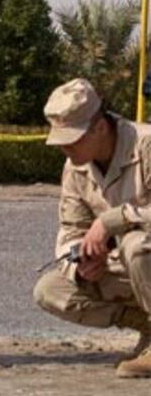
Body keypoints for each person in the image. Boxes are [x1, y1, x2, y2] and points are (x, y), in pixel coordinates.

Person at [33, 78, 151, 378]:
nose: (65, 147)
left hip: (142, 256)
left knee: (137, 245)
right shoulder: (76, 166)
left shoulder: (146, 145)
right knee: (50, 289)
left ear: (100, 127)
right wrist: (81, 262)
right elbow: (72, 228)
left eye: (72, 139)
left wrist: (112, 220)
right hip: (129, 270)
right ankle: (148, 328)